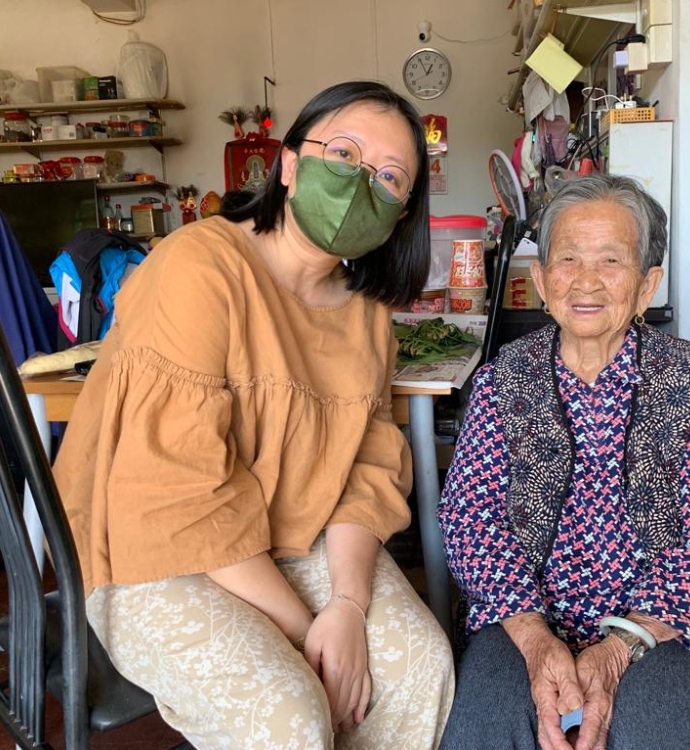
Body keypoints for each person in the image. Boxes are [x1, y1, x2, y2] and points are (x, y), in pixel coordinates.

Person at [53, 80, 454, 749]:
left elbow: (369, 470)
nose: (361, 183)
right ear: (291, 165)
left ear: (402, 214)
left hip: (293, 538)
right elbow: (180, 493)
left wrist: (349, 610)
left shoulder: (369, 319)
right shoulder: (200, 267)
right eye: (344, 153)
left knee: (421, 666)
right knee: (288, 712)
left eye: (388, 177)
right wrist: (308, 632)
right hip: (155, 551)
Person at [436, 174, 690, 750]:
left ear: (647, 285)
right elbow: (471, 518)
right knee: (485, 727)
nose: (587, 280)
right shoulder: (502, 381)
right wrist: (535, 638)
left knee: (660, 729)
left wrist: (620, 647)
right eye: (567, 258)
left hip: (667, 626)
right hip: (527, 618)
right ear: (542, 282)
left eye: (611, 260)